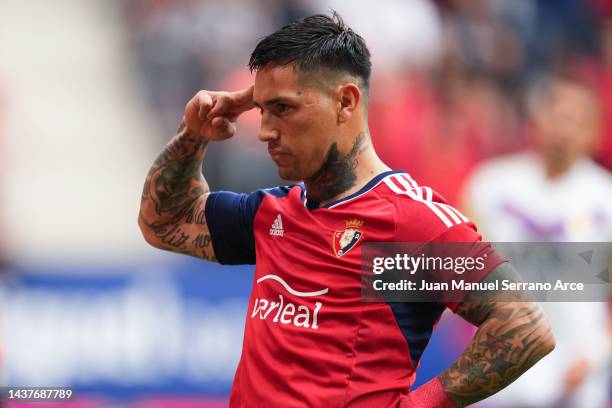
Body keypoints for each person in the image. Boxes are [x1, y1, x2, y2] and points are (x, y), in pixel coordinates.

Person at [138, 12, 555, 407]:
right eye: (261, 110)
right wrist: (192, 136)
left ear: (345, 102)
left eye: (282, 108)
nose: (264, 130)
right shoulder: (273, 214)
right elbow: (163, 221)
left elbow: (523, 326)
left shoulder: (409, 222)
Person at [463, 75, 612, 408]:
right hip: (500, 371)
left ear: (593, 132)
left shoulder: (606, 199)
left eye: (575, 121)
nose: (563, 129)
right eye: (556, 116)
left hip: (575, 373)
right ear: (535, 121)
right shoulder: (490, 186)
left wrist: (597, 351)